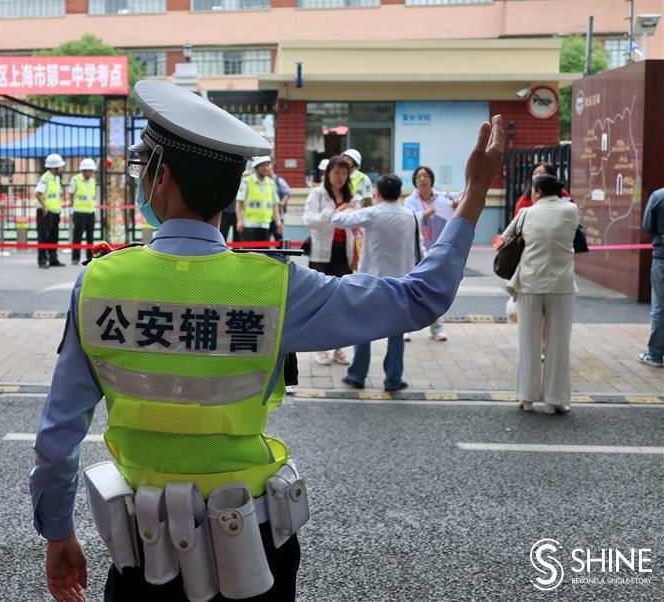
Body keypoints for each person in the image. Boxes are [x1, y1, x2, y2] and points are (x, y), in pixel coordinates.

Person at [30, 78, 504, 602]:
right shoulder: (277, 288)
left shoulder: (98, 284)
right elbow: (422, 297)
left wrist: (57, 532)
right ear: (230, 190)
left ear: (161, 177)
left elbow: (58, 436)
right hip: (249, 548)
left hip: (145, 550)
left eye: (144, 168)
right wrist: (475, 193)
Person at [332, 174, 425, 392]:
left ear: (378, 193)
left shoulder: (372, 213)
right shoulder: (411, 216)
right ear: (399, 192)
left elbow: (337, 221)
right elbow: (420, 248)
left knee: (363, 329)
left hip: (370, 283)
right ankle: (393, 380)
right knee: (396, 333)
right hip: (401, 283)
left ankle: (357, 376)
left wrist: (344, 208)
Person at [500, 174, 579, 414]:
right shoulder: (572, 211)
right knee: (558, 343)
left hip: (530, 283)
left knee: (528, 341)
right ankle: (555, 400)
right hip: (562, 285)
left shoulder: (526, 214)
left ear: (537, 192)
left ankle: (526, 397)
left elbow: (502, 241)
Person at [302, 155, 359, 365]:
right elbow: (309, 220)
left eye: (345, 173)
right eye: (337, 173)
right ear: (328, 173)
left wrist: (353, 214)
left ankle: (338, 348)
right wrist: (334, 212)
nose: (341, 177)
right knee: (321, 302)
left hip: (344, 254)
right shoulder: (317, 193)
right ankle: (320, 347)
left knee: (341, 302)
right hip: (321, 255)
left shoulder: (351, 195)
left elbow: (357, 222)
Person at [403, 166, 459, 341]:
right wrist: (425, 214)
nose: (422, 179)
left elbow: (455, 211)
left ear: (431, 179)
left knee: (435, 290)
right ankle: (406, 327)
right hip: (416, 250)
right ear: (415, 181)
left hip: (437, 249)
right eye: (419, 176)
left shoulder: (441, 199)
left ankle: (436, 328)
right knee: (410, 288)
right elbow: (409, 218)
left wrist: (456, 205)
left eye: (425, 176)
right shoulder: (410, 201)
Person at [639, 186, 664, 367]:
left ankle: (655, 354)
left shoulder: (658, 196)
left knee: (660, 306)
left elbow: (648, 226)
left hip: (662, 257)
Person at [236, 156, 283, 243]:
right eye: (263, 165)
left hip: (265, 225)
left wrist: (278, 221)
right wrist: (240, 221)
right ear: (256, 167)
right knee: (250, 255)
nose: (266, 168)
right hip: (249, 226)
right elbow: (239, 204)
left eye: (267, 165)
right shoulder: (247, 181)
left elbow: (274, 205)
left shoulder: (270, 183)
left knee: (262, 255)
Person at [36, 153, 66, 268]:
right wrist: (44, 206)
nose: (61, 168)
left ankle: (53, 259)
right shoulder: (45, 178)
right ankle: (42, 260)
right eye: (59, 166)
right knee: (43, 237)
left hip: (55, 212)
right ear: (54, 167)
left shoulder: (56, 178)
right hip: (45, 212)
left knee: (54, 236)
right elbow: (38, 194)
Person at [68, 158, 98, 265]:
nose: (91, 173)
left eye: (92, 171)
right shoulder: (75, 180)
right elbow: (71, 194)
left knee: (90, 237)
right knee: (77, 236)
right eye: (89, 171)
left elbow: (92, 197)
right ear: (84, 170)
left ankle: (89, 257)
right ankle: (75, 258)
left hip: (90, 212)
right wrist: (72, 208)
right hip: (79, 212)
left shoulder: (93, 181)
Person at [269, 162, 292, 243]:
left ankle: (281, 255)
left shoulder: (278, 180)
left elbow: (288, 192)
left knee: (278, 238)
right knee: (265, 240)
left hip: (277, 216)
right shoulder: (263, 181)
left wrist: (282, 203)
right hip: (266, 216)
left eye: (270, 168)